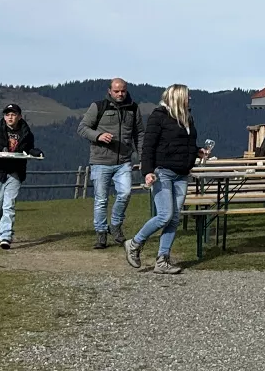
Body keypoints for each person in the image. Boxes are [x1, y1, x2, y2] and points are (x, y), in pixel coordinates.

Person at [129, 84, 203, 274]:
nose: (190, 100)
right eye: (187, 96)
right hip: (163, 172)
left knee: (174, 218)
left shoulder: (187, 118)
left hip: (182, 174)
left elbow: (184, 144)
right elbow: (148, 146)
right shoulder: (158, 116)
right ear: (178, 98)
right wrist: (147, 171)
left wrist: (197, 151)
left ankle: (162, 259)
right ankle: (135, 243)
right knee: (165, 215)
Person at [78, 78, 144, 251]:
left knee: (125, 193)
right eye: (116, 91)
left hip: (124, 161)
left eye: (123, 90)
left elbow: (139, 134)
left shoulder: (133, 108)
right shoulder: (98, 107)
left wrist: (143, 157)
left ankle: (115, 225)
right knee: (101, 200)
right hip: (101, 161)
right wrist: (98, 136)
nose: (120, 94)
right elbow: (83, 128)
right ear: (109, 91)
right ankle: (101, 233)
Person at [0, 103, 36, 250]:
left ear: (19, 116)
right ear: (4, 117)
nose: (10, 117)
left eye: (13, 114)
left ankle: (6, 236)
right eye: (7, 114)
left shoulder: (26, 132)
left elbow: (29, 148)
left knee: (9, 205)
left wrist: (35, 152)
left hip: (15, 172)